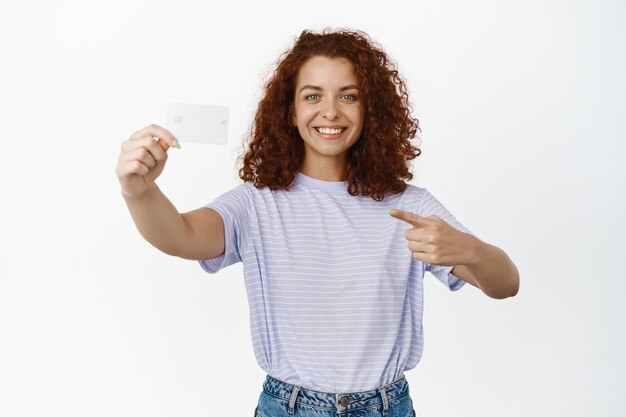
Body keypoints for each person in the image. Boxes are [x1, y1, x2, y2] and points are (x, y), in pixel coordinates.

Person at [116, 28, 519, 417]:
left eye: (349, 96)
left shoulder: (409, 206)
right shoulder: (257, 205)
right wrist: (139, 191)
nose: (330, 111)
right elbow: (181, 237)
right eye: (313, 96)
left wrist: (473, 251)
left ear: (370, 110)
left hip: (385, 408)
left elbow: (505, 284)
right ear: (290, 112)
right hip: (288, 408)